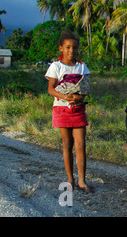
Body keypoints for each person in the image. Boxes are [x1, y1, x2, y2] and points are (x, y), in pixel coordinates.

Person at [45, 30, 92, 193]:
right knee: (67, 145)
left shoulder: (81, 67)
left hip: (78, 109)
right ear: (61, 48)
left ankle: (82, 181)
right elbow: (51, 89)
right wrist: (65, 97)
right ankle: (70, 179)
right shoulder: (56, 66)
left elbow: (86, 88)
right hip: (61, 109)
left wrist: (78, 98)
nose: (71, 51)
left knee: (80, 145)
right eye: (68, 47)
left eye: (74, 48)